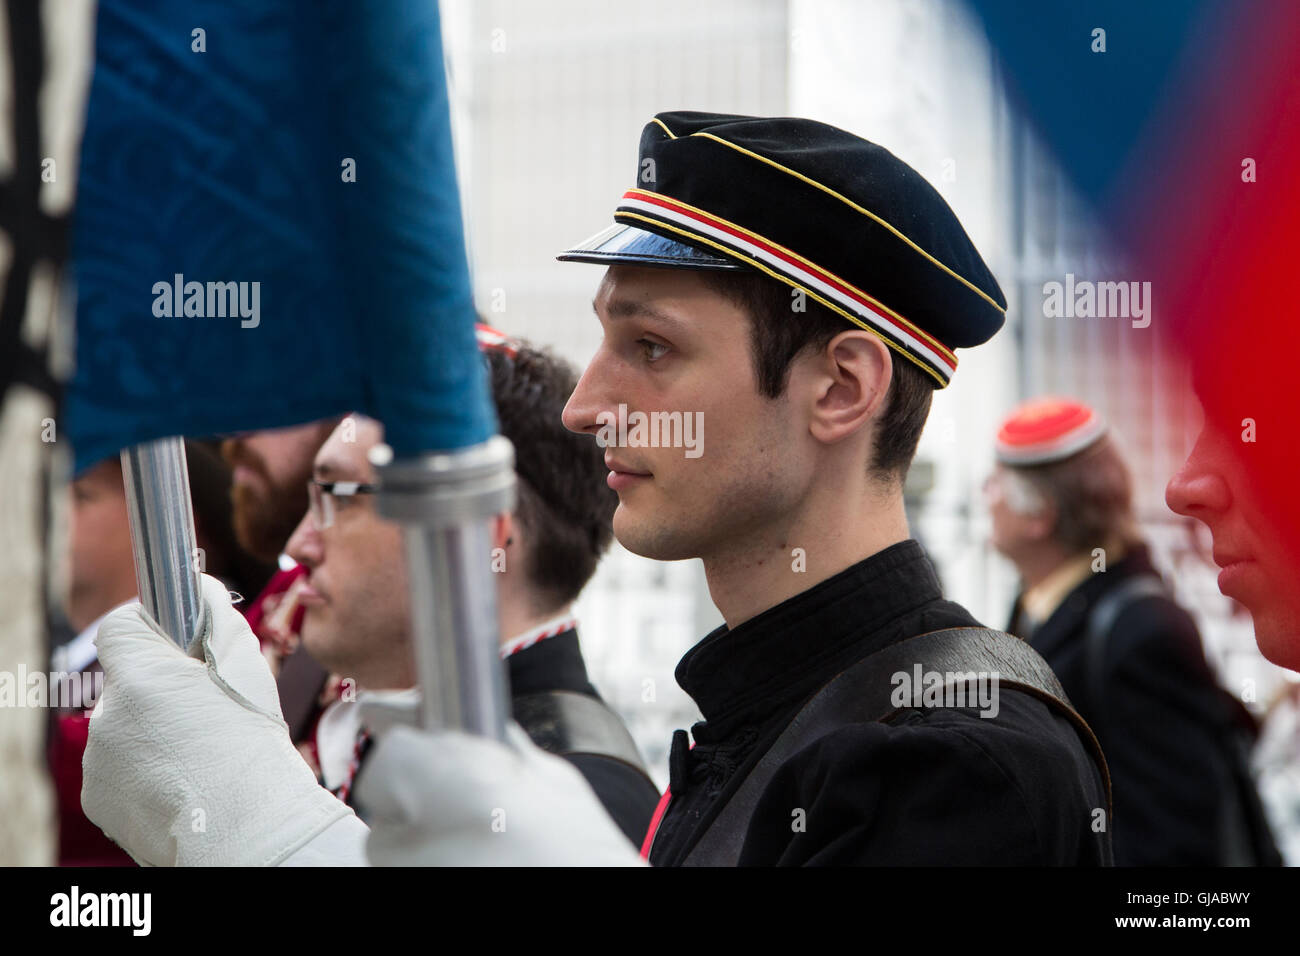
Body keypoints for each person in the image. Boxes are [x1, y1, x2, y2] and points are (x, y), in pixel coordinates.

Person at [83, 111, 1110, 867]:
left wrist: (275, 833)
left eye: (652, 347)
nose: (586, 406)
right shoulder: (795, 709)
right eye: (606, 337)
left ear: (840, 387)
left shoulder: (950, 759)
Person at [288, 334, 658, 842]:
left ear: (476, 532)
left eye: (340, 496)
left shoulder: (580, 800)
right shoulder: (435, 748)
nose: (300, 545)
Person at [989, 397, 1280, 865]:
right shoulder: (1035, 607)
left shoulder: (1143, 631)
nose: (987, 496)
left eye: (997, 484)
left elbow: (1173, 841)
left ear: (1039, 515)